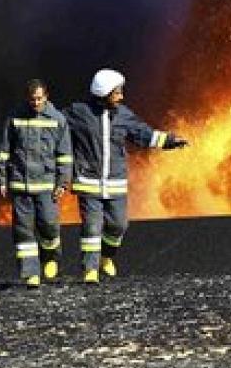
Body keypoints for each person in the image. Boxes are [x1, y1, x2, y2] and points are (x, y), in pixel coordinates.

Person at [64, 69, 188, 284]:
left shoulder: (123, 115)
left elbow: (143, 134)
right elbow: (56, 125)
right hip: (88, 182)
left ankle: (107, 257)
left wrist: (169, 141)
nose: (121, 97)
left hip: (115, 183)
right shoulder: (78, 113)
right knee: (92, 227)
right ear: (103, 94)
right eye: (117, 93)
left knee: (118, 225)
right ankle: (89, 270)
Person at [0, 79, 73, 287]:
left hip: (47, 186)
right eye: (32, 99)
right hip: (21, 185)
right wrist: (1, 179)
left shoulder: (57, 119)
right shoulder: (14, 118)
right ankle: (31, 273)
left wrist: (63, 183)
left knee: (48, 224)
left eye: (39, 99)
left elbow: (65, 155)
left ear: (46, 96)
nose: (36, 103)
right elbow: (4, 151)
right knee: (23, 230)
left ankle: (50, 256)